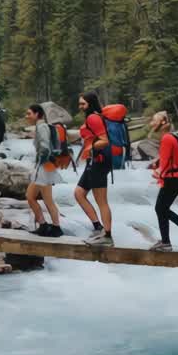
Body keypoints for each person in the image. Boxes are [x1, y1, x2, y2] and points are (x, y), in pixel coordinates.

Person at [148, 111, 178, 252]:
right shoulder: (173, 137)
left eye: (154, 120)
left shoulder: (166, 139)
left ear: (163, 122)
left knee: (160, 208)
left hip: (173, 178)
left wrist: (158, 173)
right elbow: (170, 160)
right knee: (162, 209)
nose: (152, 123)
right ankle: (167, 241)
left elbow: (164, 163)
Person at [76, 92, 115, 246]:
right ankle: (98, 228)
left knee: (102, 202)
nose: (80, 107)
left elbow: (105, 141)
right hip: (93, 162)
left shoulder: (93, 117)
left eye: (83, 104)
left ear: (90, 104)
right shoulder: (93, 117)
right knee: (79, 194)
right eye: (79, 104)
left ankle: (107, 235)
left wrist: (89, 148)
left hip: (98, 163)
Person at [26, 104, 63, 237]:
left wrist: (40, 163)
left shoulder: (42, 127)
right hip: (44, 166)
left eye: (29, 113)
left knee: (47, 200)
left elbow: (45, 147)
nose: (27, 116)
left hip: (44, 167)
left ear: (37, 114)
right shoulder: (41, 126)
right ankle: (43, 224)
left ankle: (56, 227)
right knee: (30, 196)